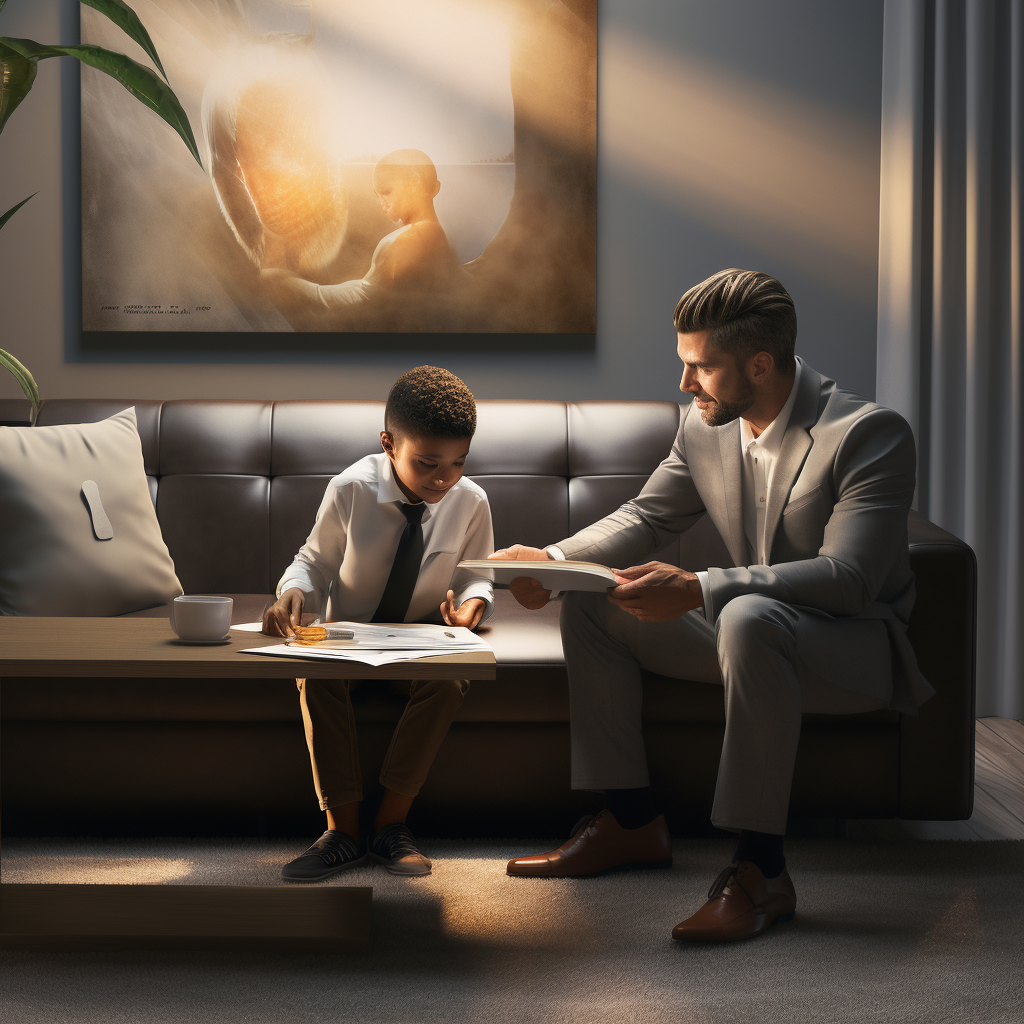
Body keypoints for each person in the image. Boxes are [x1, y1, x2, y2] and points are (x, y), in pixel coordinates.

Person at [490, 268, 933, 942]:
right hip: (745, 637)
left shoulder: (869, 435)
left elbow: (850, 579)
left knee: (746, 614)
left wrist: (699, 587)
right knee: (596, 600)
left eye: (700, 367)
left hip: (848, 649)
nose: (684, 383)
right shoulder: (705, 427)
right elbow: (645, 515)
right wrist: (555, 563)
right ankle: (631, 823)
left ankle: (761, 871)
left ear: (760, 363)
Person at [264, 365, 493, 880]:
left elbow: (478, 576)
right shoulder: (351, 489)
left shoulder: (471, 501)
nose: (444, 478)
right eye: (428, 463)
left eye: (458, 462)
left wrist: (474, 606)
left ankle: (391, 827)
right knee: (315, 673)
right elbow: (313, 561)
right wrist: (293, 592)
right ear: (388, 444)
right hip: (349, 637)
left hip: (422, 640)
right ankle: (341, 831)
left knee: (451, 679)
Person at [261, 149, 458, 316]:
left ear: (414, 182)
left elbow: (362, 300)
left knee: (272, 282)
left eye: (387, 191)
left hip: (358, 318)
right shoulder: (437, 234)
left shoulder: (405, 241)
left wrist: (286, 285)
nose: (382, 203)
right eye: (378, 195)